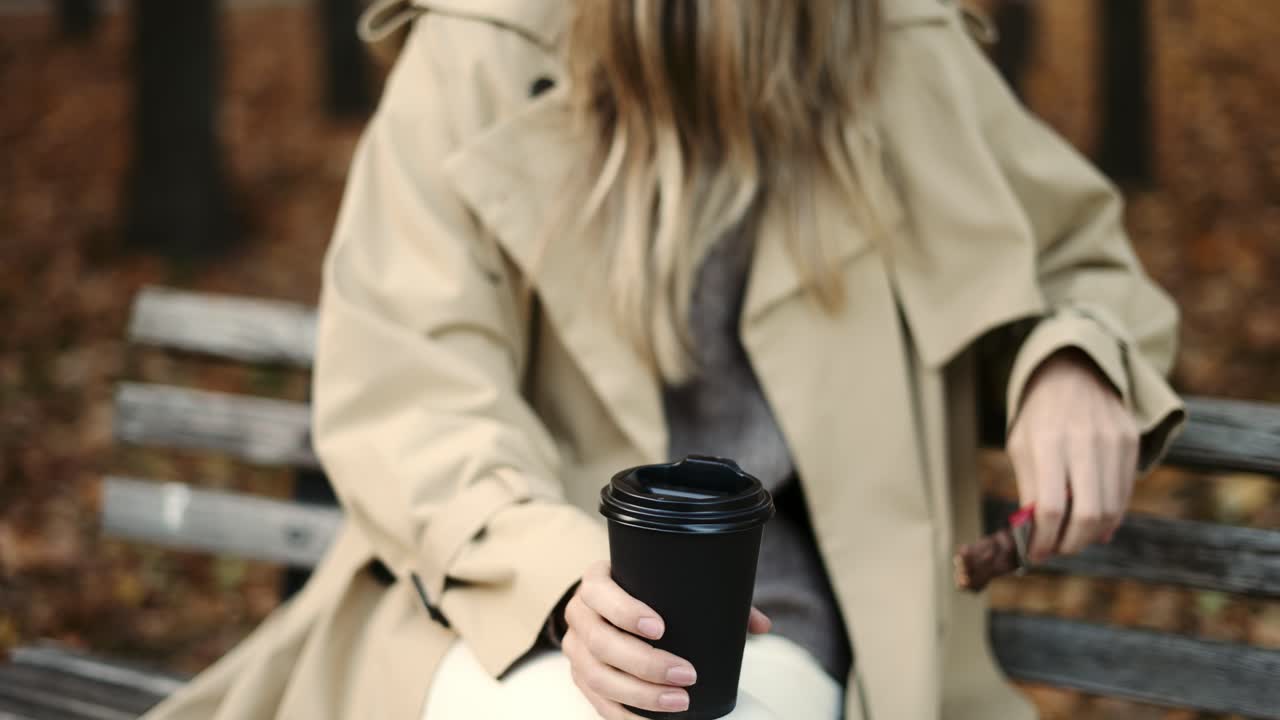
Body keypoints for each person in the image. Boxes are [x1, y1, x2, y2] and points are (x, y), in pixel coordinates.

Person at [142, 0, 1186, 718]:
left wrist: (1068, 361)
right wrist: (557, 577)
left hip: (796, 640)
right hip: (500, 613)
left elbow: (1076, 261)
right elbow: (410, 385)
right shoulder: (480, 44)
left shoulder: (897, 42)